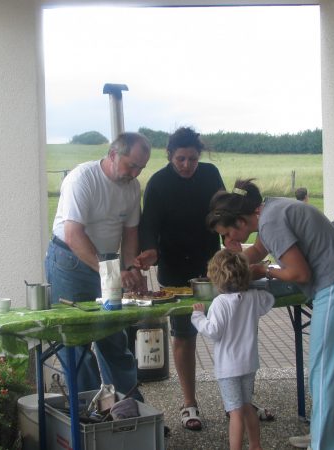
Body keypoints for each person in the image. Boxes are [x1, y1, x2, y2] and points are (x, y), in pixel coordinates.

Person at [206, 179, 334, 450]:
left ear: (240, 221)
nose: (228, 241)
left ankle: (325, 444)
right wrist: (228, 264)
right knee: (323, 370)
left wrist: (265, 271)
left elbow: (299, 273)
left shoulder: (270, 222)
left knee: (325, 372)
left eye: (228, 235)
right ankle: (322, 436)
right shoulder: (267, 211)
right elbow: (258, 250)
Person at [44, 132, 151, 400]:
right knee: (75, 342)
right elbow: (73, 234)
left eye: (141, 168)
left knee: (114, 337)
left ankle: (130, 410)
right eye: (132, 165)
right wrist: (110, 271)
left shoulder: (132, 187)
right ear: (113, 154)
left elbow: (130, 234)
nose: (135, 173)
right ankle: (92, 412)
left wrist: (131, 269)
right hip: (69, 260)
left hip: (107, 261)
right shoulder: (83, 178)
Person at [133, 126, 224, 430]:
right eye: (181, 159)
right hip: (174, 269)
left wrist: (232, 233)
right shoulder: (158, 183)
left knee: (230, 328)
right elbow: (148, 225)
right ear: (169, 155)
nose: (187, 165)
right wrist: (149, 251)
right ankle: (189, 403)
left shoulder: (211, 175)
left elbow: (223, 212)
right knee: (184, 336)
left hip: (212, 266)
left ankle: (236, 399)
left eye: (193, 159)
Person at [191, 249, 274, 450]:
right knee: (247, 406)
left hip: (228, 368)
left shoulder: (220, 303)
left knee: (235, 411)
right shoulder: (254, 297)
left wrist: (198, 316)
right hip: (249, 363)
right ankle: (255, 445)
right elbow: (269, 300)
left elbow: (213, 331)